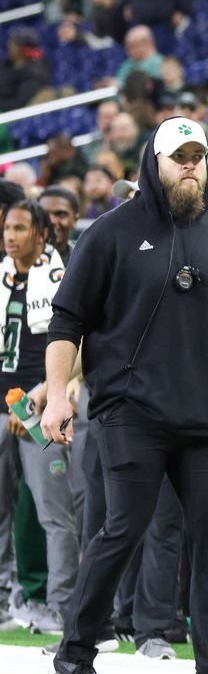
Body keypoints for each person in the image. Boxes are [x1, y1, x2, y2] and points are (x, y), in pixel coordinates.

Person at [44, 117, 208, 674]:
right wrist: (55, 394)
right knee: (121, 530)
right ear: (154, 162)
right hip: (132, 412)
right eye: (179, 156)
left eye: (198, 155)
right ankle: (75, 656)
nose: (190, 165)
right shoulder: (110, 232)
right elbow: (67, 322)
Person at [0, 201, 77, 637]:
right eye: (8, 227)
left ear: (41, 234)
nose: (11, 236)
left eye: (20, 228)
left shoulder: (61, 275)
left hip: (40, 408)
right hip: (1, 404)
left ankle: (61, 606)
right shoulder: (0, 273)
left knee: (54, 512)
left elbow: (73, 341)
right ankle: (3, 600)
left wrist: (45, 395)